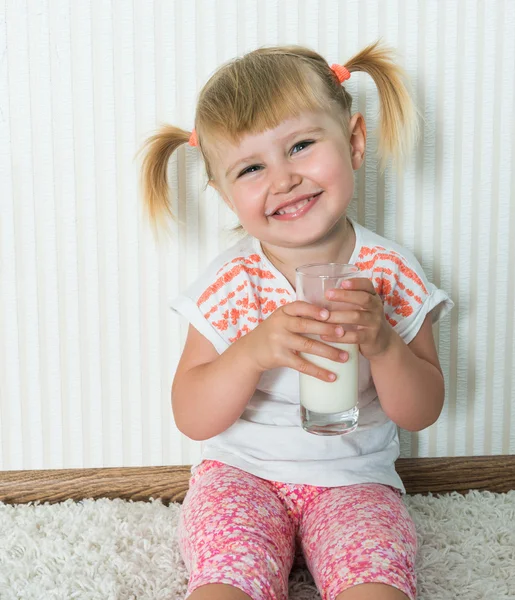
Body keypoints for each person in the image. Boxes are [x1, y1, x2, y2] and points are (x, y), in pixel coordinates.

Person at [139, 41, 453, 600]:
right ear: (225, 195)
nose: (282, 179)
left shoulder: (389, 272)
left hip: (355, 483)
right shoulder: (231, 285)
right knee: (224, 585)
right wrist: (253, 350)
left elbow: (423, 408)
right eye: (252, 167)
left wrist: (383, 344)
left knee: (378, 586)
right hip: (242, 478)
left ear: (355, 141)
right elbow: (191, 414)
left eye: (302, 146)